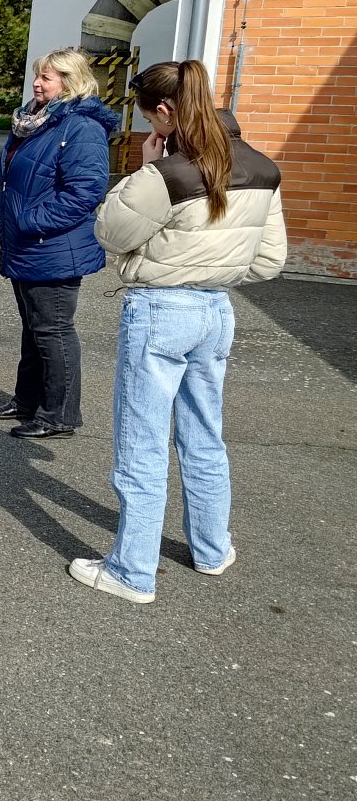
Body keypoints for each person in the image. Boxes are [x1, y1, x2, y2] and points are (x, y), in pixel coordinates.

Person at [71, 60, 285, 605]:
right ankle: (212, 549)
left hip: (161, 310)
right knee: (204, 434)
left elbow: (110, 232)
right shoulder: (263, 168)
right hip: (217, 309)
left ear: (164, 112)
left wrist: (143, 170)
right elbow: (268, 261)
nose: (149, 127)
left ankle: (131, 572)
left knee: (141, 443)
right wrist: (214, 266)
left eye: (148, 118)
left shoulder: (166, 174)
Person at [0, 47, 118, 439]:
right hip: (26, 243)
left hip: (53, 245)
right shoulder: (35, 120)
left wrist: (28, 221)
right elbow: (17, 180)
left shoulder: (82, 127)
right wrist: (0, 211)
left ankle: (59, 415)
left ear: (70, 82)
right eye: (37, 75)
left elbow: (85, 192)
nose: (37, 83)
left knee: (53, 330)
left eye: (47, 77)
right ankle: (27, 401)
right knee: (34, 328)